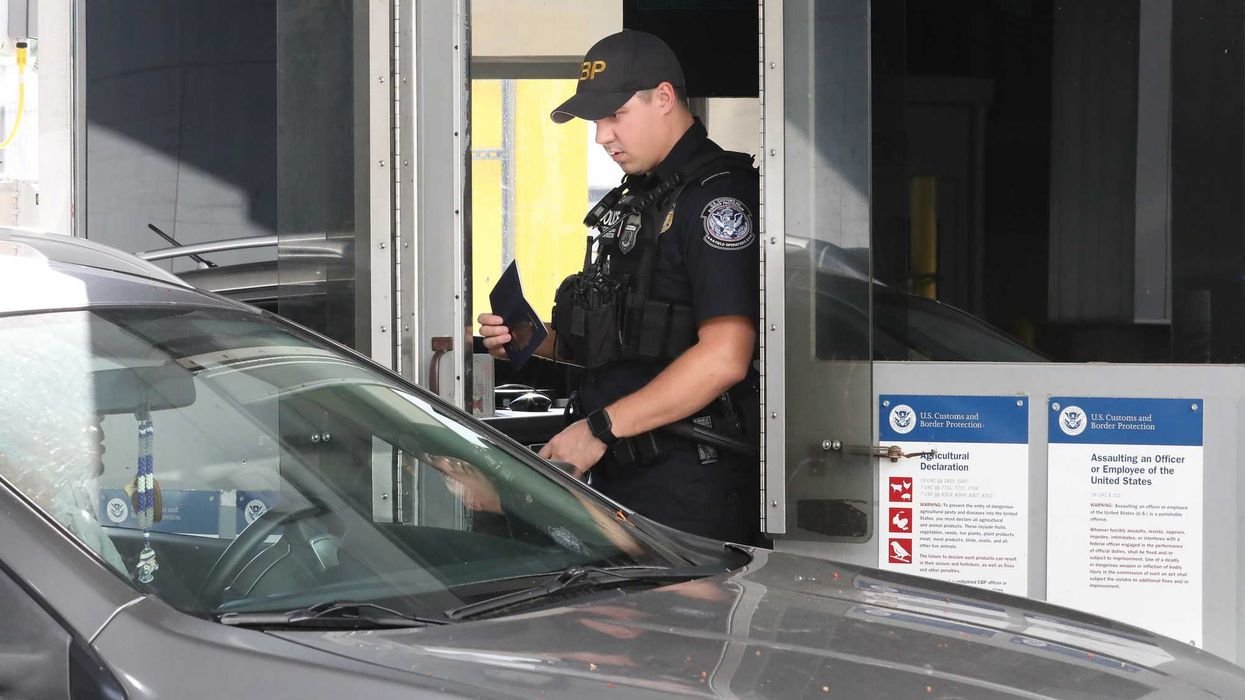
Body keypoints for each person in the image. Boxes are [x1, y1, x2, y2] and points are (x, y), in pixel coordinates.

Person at [478, 30, 760, 544]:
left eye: (615, 116)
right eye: (597, 121)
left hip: (688, 482)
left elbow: (725, 358)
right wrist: (531, 337)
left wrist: (599, 429)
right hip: (625, 475)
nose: (602, 136)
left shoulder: (715, 202)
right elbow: (631, 341)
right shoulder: (642, 199)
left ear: (665, 98)